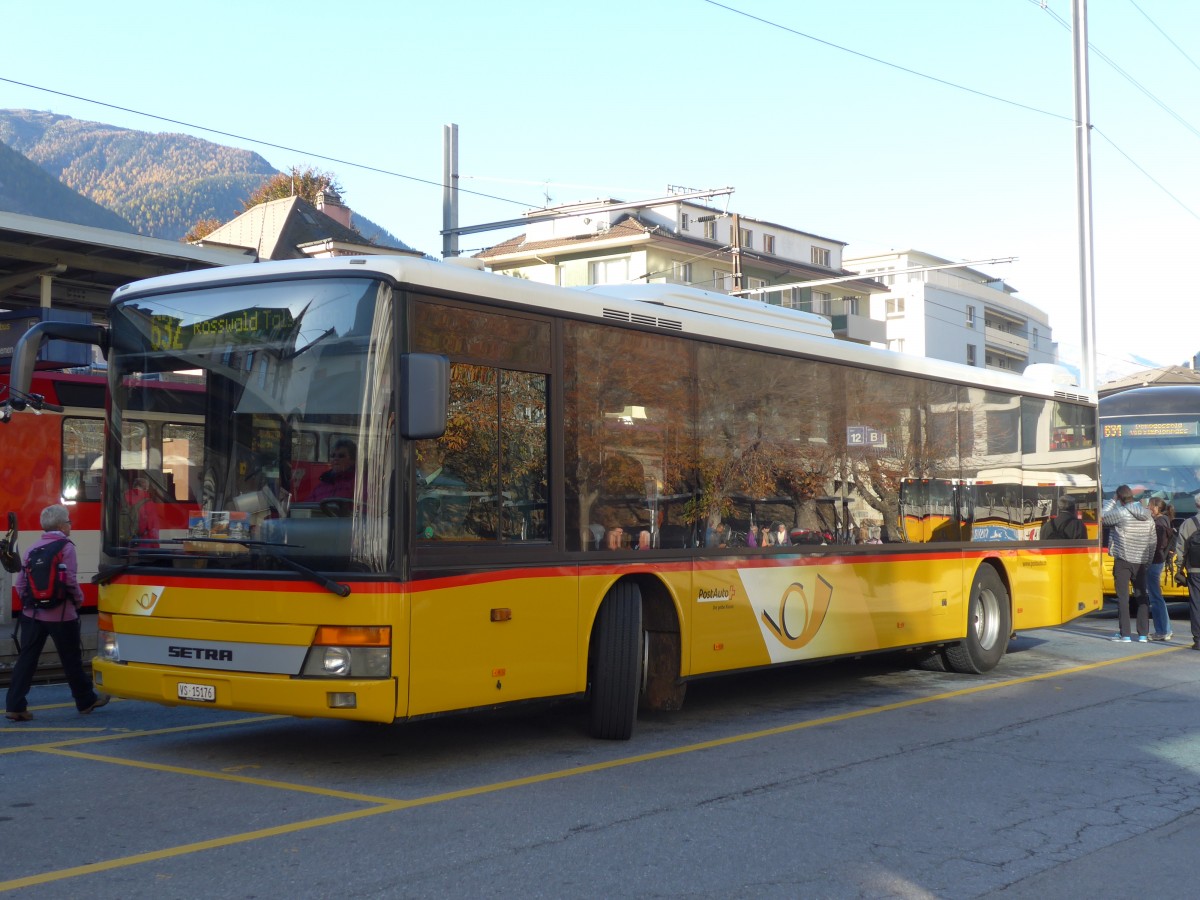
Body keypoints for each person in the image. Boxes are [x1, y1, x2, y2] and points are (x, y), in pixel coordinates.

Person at [5, 504, 109, 721]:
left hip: (32, 615)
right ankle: (85, 701)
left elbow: (22, 583)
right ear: (62, 525)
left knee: (27, 659)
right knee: (71, 659)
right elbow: (70, 580)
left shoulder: (32, 548)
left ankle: (15, 706)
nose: (70, 525)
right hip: (62, 614)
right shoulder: (66, 547)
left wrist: (28, 605)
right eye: (69, 522)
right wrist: (79, 601)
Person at [1101, 485, 1155, 643]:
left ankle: (1125, 634)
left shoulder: (1120, 513)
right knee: (1142, 596)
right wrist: (1147, 561)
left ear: (1120, 497)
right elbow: (1152, 542)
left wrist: (1112, 500)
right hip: (1141, 561)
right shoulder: (1148, 515)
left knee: (1123, 597)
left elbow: (1102, 517)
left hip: (1123, 560)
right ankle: (1143, 634)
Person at [1170, 492, 1200, 651]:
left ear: (1196, 505)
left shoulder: (1189, 523)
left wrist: (1180, 569)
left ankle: (1198, 640)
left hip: (1194, 570)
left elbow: (1180, 548)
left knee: (1196, 604)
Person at [1146, 496, 1174, 641]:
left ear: (1156, 507)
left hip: (1155, 561)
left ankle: (1163, 630)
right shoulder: (1163, 520)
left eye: (1150, 505)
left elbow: (1159, 544)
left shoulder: (1160, 522)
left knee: (1155, 597)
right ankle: (1165, 629)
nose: (1148, 507)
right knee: (1156, 596)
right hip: (1157, 560)